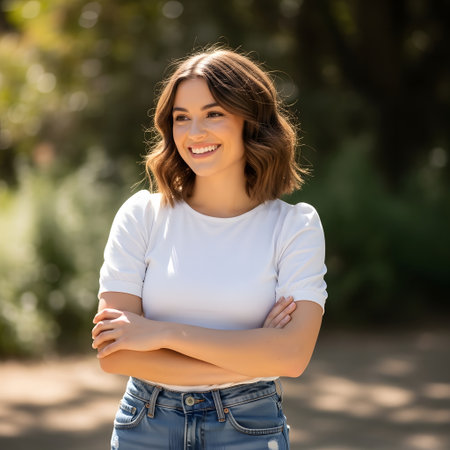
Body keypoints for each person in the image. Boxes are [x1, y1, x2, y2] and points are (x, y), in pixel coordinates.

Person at [91, 46, 327, 450]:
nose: (194, 132)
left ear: (250, 122)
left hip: (248, 428)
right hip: (145, 425)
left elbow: (292, 357)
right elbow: (114, 354)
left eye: (213, 113)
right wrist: (252, 352)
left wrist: (159, 333)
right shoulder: (142, 215)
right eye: (182, 118)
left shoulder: (295, 226)